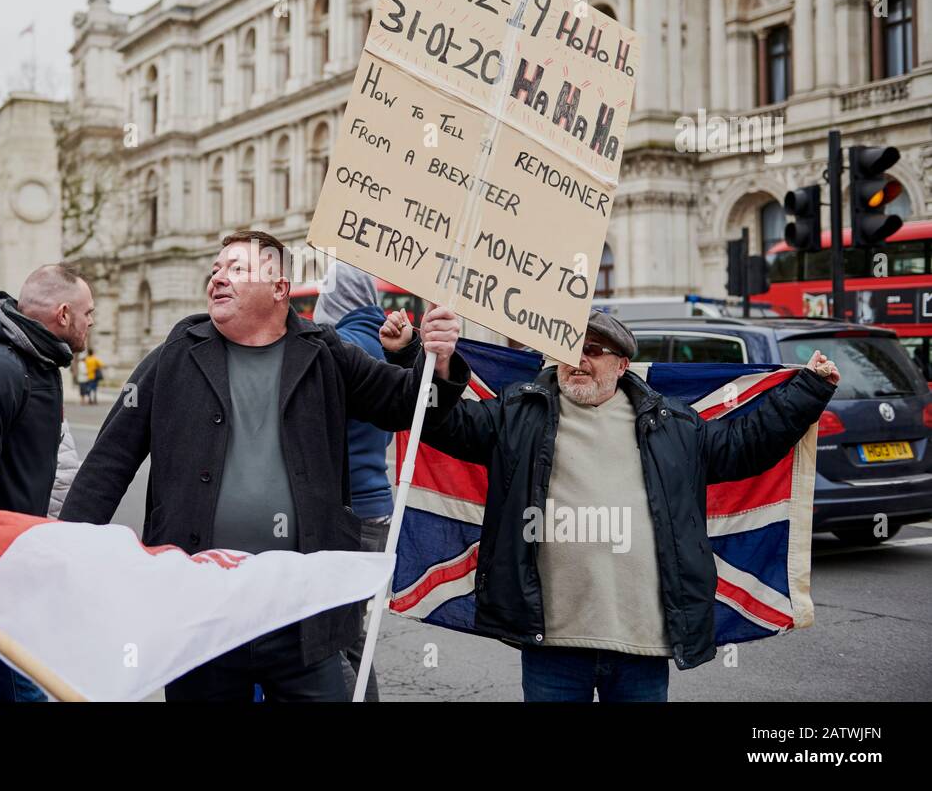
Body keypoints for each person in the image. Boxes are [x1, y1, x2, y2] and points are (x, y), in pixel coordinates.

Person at [59, 230, 470, 701]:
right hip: (200, 613)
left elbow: (407, 406)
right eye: (216, 269)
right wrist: (67, 548)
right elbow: (110, 461)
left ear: (279, 288)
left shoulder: (325, 352)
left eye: (236, 268)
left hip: (299, 611)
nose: (218, 277)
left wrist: (433, 360)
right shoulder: (176, 355)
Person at [380, 308, 839, 702]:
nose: (579, 360)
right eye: (569, 349)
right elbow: (442, 423)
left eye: (594, 350)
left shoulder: (673, 423)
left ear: (622, 365)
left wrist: (810, 389)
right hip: (552, 645)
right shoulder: (516, 413)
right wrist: (417, 358)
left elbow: (747, 446)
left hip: (643, 646)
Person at [0, 262, 93, 702]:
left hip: (12, 571)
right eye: (88, 313)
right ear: (63, 313)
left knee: (28, 691)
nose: (90, 323)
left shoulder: (38, 361)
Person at [311, 262, 393, 701]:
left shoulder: (340, 349)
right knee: (351, 633)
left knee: (325, 641)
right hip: (377, 505)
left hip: (346, 510)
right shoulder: (382, 344)